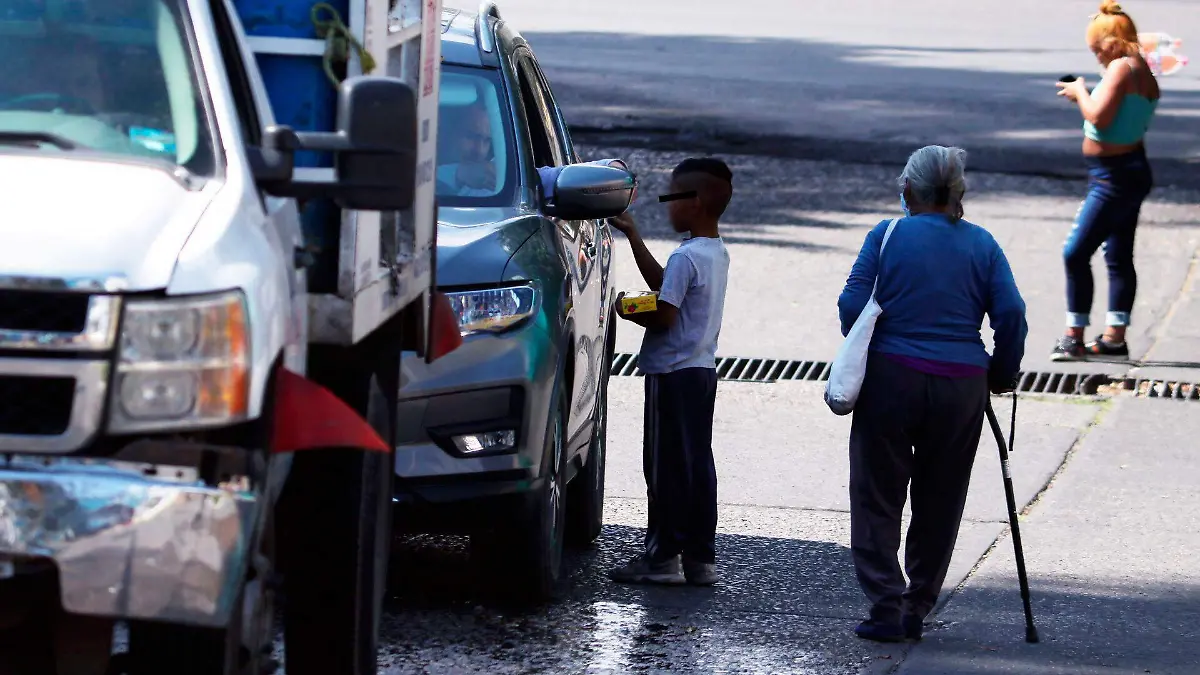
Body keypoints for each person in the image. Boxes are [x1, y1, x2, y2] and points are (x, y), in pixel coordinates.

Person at [836, 145, 1028, 643]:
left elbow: (852, 302)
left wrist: (865, 348)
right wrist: (1001, 373)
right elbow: (1011, 315)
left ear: (907, 189)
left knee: (877, 495)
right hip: (961, 384)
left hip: (891, 378)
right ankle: (915, 607)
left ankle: (884, 606)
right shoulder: (982, 244)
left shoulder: (888, 235)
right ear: (959, 193)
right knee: (941, 498)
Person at [606, 157, 733, 587]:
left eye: (672, 197)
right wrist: (633, 236)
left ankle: (661, 556)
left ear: (694, 202)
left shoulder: (686, 255)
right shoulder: (714, 252)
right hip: (700, 371)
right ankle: (700, 557)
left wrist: (625, 306)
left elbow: (663, 312)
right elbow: (668, 286)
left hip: (672, 374)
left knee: (662, 467)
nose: (667, 206)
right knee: (697, 463)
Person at [1052, 0, 1159, 361]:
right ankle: (1114, 338)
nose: (1096, 54)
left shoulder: (1120, 69)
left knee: (1075, 252)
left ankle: (1073, 337)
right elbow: (1122, 121)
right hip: (1129, 170)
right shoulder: (1142, 70)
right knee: (1117, 255)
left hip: (1113, 178)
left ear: (1111, 41)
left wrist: (1080, 91)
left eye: (1097, 47)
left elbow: (1098, 119)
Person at [436, 103, 497, 197]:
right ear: (447, 133)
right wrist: (457, 175)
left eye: (487, 140)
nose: (479, 151)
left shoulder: (496, 191)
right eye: (471, 136)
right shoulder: (413, 173)